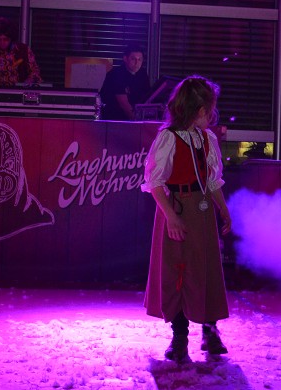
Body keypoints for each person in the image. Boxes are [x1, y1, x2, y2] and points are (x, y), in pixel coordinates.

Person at [141, 76, 232, 363]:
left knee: (205, 268)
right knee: (177, 271)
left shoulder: (208, 138)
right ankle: (179, 336)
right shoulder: (168, 138)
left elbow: (213, 180)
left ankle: (210, 330)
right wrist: (171, 217)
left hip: (201, 211)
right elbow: (155, 184)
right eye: (209, 110)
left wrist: (223, 209)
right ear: (198, 110)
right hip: (176, 209)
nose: (212, 116)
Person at [99, 45, 150, 120]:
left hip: (135, 117)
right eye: (133, 59)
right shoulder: (116, 74)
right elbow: (124, 104)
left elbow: (148, 97)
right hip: (114, 119)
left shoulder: (142, 74)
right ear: (125, 59)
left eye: (140, 59)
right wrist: (138, 122)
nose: (137, 63)